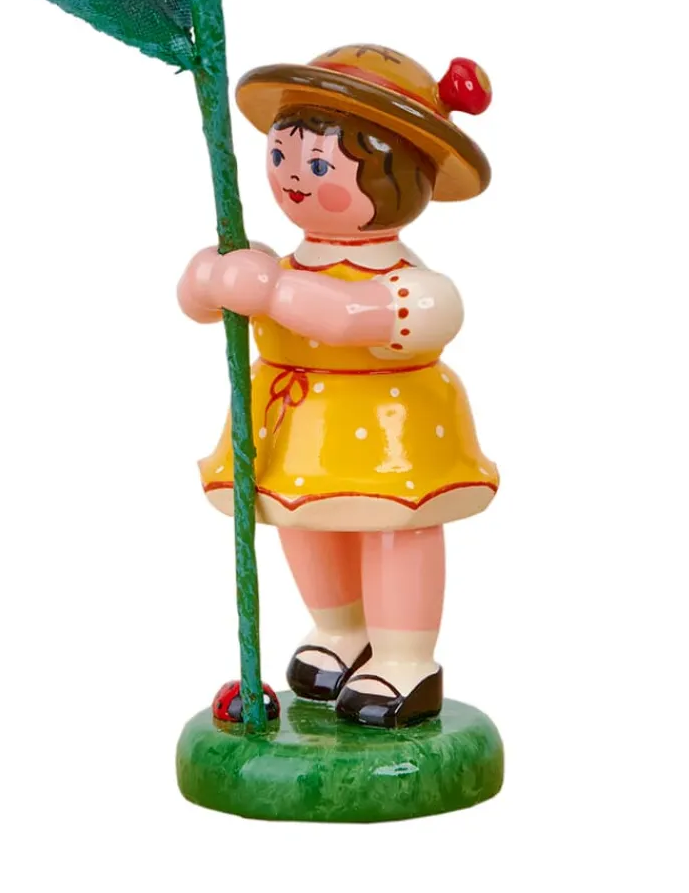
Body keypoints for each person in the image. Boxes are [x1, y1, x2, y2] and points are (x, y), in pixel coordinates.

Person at [180, 44, 498, 728]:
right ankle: (340, 630)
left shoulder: (416, 286)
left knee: (393, 529)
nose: (295, 176)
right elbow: (199, 302)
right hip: (294, 426)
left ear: (399, 179)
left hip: (392, 432)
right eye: (283, 155)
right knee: (305, 525)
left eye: (320, 165)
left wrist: (272, 291)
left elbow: (352, 315)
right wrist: (210, 278)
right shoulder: (274, 263)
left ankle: (405, 659)